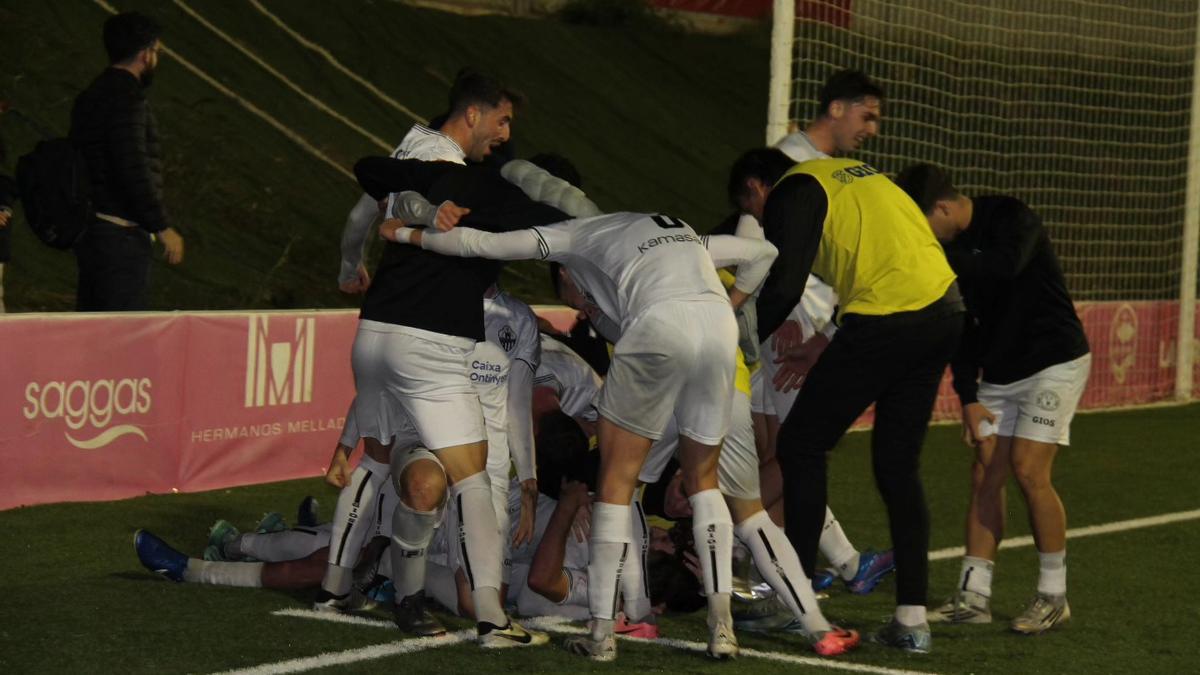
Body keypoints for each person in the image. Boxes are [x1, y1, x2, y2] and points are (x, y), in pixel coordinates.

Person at [377, 169, 777, 661]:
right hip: (717, 328)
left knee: (616, 483)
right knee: (704, 482)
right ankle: (722, 629)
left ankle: (602, 635)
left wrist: (406, 233)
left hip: (657, 325)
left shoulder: (576, 237)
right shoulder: (673, 228)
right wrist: (732, 304)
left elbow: (481, 244)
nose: (581, 303)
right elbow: (764, 253)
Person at [731, 147, 964, 653]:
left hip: (890, 318)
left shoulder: (793, 191)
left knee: (801, 447)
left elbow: (785, 284)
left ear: (757, 189)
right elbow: (882, 255)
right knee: (898, 467)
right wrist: (827, 336)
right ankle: (911, 622)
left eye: (754, 214)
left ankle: (796, 605)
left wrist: (732, 346)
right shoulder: (849, 177)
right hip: (944, 310)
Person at [895, 164, 1091, 635]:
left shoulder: (1010, 215)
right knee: (985, 472)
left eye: (923, 226)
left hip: (1055, 361)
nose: (925, 238)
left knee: (1027, 468)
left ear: (942, 207)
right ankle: (973, 595)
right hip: (999, 376)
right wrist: (967, 397)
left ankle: (1053, 596)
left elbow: (1003, 267)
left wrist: (932, 259)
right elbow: (963, 325)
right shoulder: (949, 250)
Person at [737, 72, 894, 594]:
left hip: (802, 324)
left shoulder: (839, 169)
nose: (872, 127)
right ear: (835, 108)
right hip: (792, 329)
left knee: (785, 450)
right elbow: (757, 240)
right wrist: (778, 320)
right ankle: (773, 555)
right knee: (794, 451)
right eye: (866, 115)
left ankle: (775, 560)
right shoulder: (787, 163)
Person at [69, 11, 184, 311]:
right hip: (121, 236)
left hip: (92, 230)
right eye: (156, 51)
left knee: (94, 327)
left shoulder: (91, 95)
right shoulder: (127, 99)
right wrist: (162, 226)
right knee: (120, 337)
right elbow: (131, 164)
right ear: (145, 54)